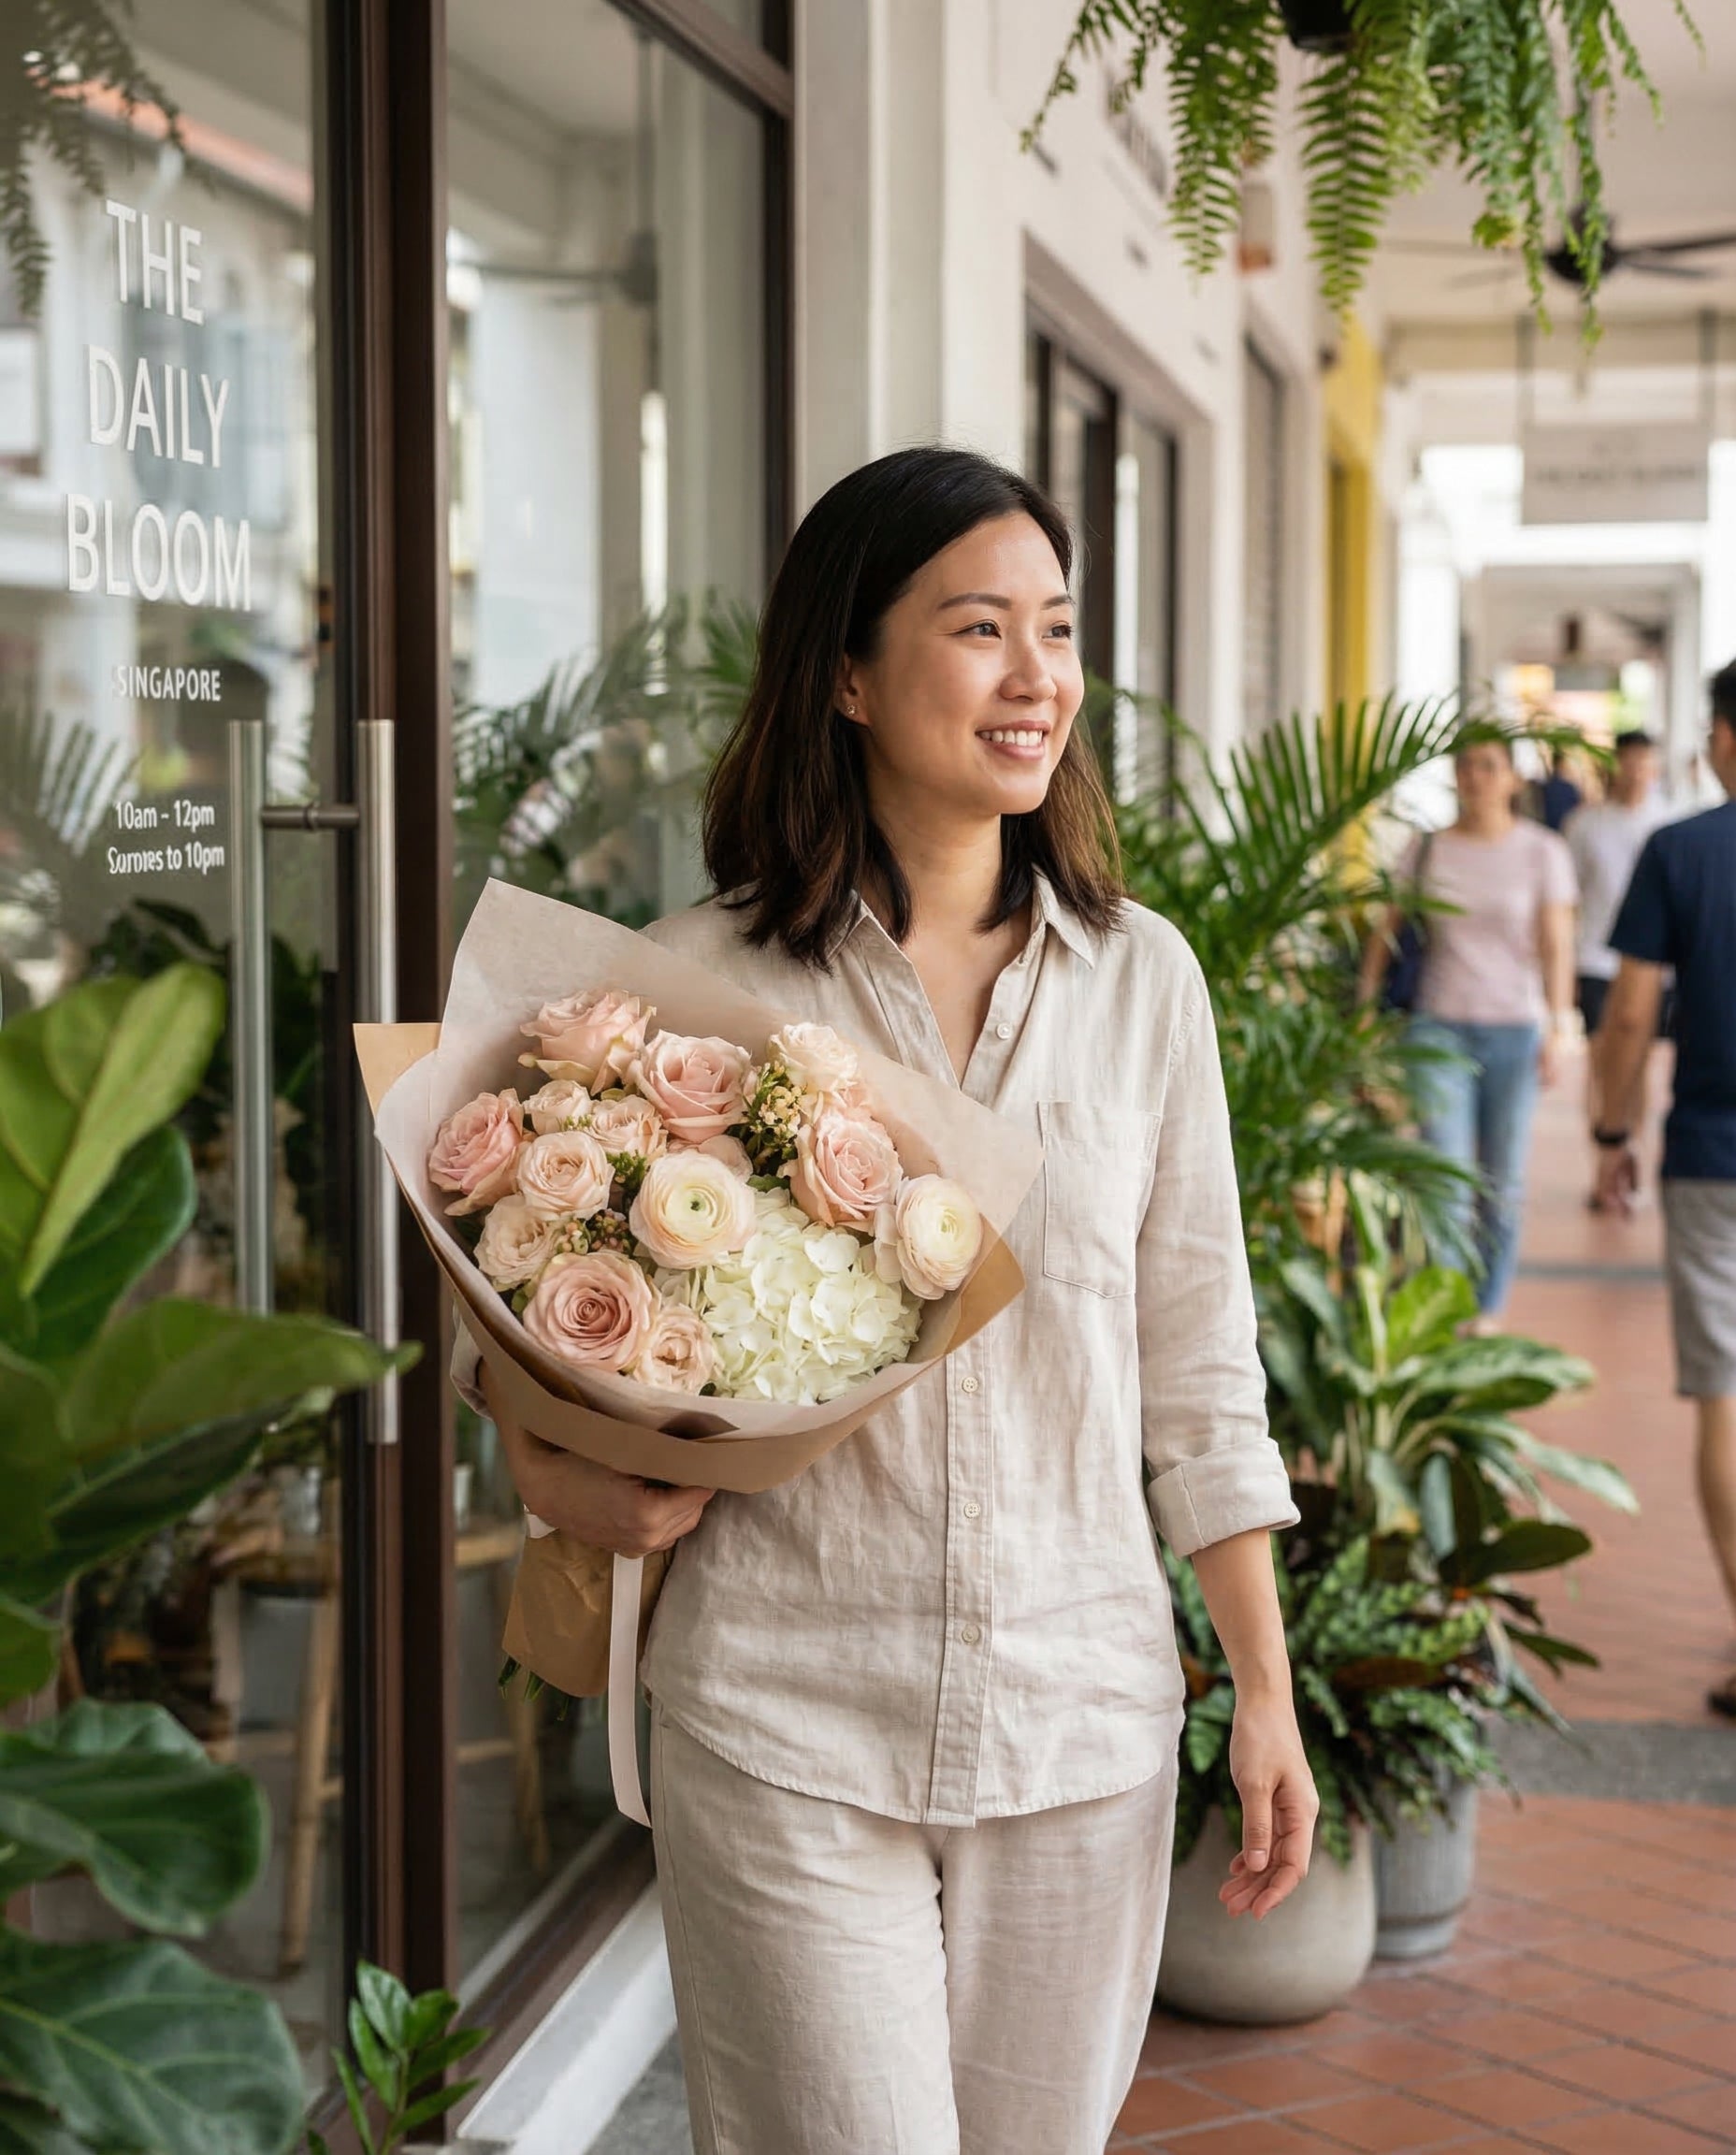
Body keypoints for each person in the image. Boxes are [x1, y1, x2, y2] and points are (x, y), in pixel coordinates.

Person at [465, 448, 1315, 2155]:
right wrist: (572, 1479)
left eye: (1056, 630)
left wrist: (1264, 1685)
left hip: (1081, 1719)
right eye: (979, 625)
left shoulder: (1140, 978)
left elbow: (1196, 1353)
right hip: (783, 1710)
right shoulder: (687, 982)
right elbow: (534, 1349)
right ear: (845, 672)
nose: (1036, 675)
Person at [1593, 660, 1736, 1720]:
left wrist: (1610, 1131)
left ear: (1719, 741)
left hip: (1710, 1160)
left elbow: (1631, 1015)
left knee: (1721, 1400)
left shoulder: (1680, 853)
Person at [1359, 734, 1578, 1323]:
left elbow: (1556, 944)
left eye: (1488, 766)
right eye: (1465, 766)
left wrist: (1560, 1025)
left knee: (1501, 1183)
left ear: (1512, 778)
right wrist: (1363, 1006)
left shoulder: (1542, 852)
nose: (1475, 777)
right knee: (1447, 1182)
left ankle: (1488, 1310)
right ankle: (1446, 1310)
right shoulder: (1427, 848)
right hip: (1438, 1030)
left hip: (1514, 1029)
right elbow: (1388, 930)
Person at [1565, 731, 1671, 1208]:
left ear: (1655, 767)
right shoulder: (1585, 824)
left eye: (1644, 762)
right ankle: (1601, 1161)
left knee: (1640, 1062)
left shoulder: (1669, 823)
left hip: (1654, 965)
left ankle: (1633, 1154)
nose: (1636, 771)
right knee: (1601, 1060)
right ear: (1617, 765)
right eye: (1629, 761)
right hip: (1596, 958)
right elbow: (1568, 898)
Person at [1538, 745, 1584, 832]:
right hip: (1566, 827)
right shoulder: (1568, 787)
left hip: (1549, 827)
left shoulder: (1545, 787)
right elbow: (1578, 809)